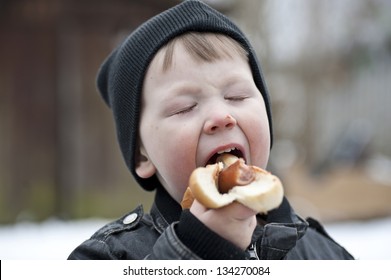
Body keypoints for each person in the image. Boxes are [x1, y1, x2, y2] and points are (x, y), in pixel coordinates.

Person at [68, 0, 354, 260]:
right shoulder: (109, 257)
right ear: (143, 156)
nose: (221, 116)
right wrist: (196, 250)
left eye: (237, 96)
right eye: (184, 108)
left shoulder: (322, 255)